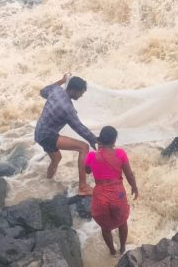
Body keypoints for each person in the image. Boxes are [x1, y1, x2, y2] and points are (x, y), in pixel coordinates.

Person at [35, 73, 98, 196]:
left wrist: (61, 81)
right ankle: (83, 187)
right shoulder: (68, 109)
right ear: (74, 91)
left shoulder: (55, 90)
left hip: (38, 131)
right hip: (47, 135)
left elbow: (42, 92)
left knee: (56, 158)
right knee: (83, 147)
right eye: (81, 93)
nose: (81, 95)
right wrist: (93, 139)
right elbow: (79, 127)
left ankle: (47, 181)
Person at [84, 126, 139, 256]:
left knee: (106, 227)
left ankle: (112, 251)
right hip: (117, 195)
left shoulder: (92, 156)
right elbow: (129, 174)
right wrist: (134, 187)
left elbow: (87, 170)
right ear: (114, 141)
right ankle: (123, 248)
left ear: (100, 140)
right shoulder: (120, 153)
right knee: (122, 223)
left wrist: (96, 154)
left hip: (100, 197)